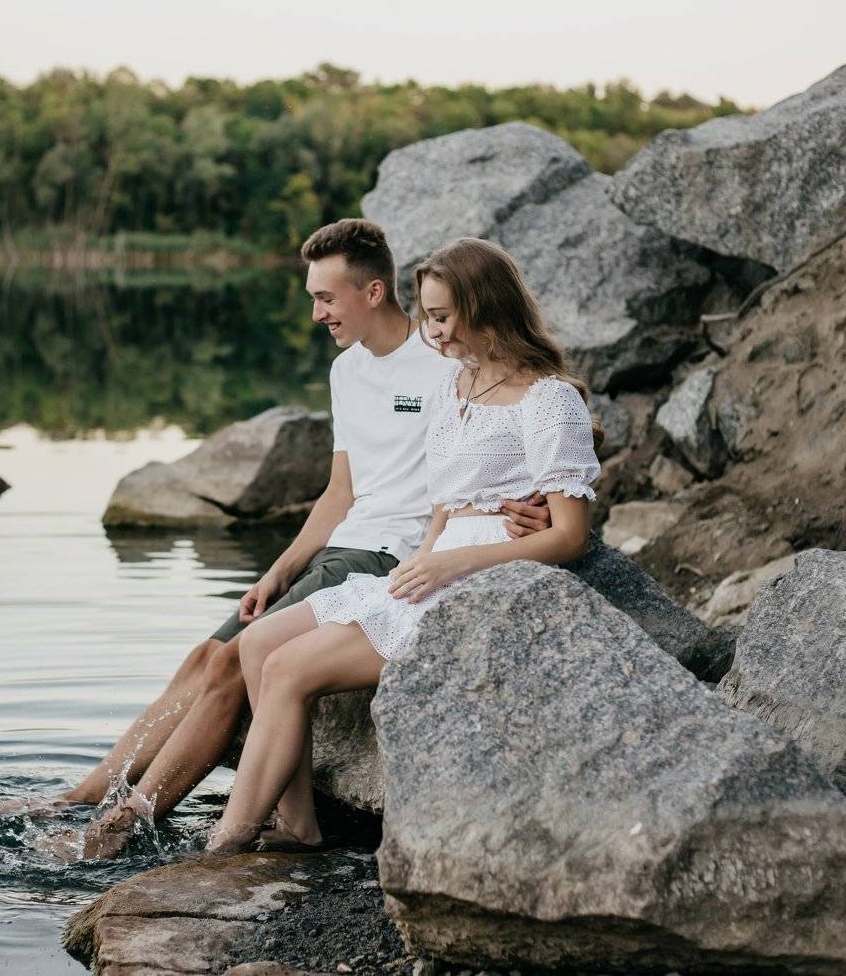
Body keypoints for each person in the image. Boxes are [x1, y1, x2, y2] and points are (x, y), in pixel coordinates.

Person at [0, 220, 554, 857]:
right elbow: (340, 493)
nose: (316, 314)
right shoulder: (347, 372)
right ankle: (80, 797)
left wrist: (537, 505)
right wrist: (278, 571)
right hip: (340, 547)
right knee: (203, 655)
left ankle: (128, 822)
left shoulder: (445, 360)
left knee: (229, 663)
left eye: (326, 298)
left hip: (389, 557)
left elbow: (527, 409)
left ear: (374, 291)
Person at [203, 237, 602, 855]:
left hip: (490, 578)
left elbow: (570, 535)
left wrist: (455, 561)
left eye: (441, 317)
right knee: (256, 643)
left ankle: (224, 843)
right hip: (435, 561)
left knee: (286, 668)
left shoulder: (548, 398)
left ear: (485, 308)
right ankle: (297, 825)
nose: (431, 333)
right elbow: (443, 501)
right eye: (428, 316)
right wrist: (427, 555)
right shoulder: (457, 386)